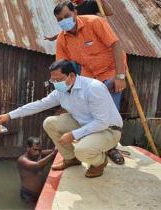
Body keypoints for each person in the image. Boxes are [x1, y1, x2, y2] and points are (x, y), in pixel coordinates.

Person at [0, 60, 123, 178]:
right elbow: (39, 104)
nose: (56, 83)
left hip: (108, 130)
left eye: (59, 79)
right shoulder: (62, 91)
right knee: (49, 123)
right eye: (53, 80)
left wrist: (73, 134)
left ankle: (99, 162)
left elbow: (102, 122)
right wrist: (9, 115)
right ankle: (71, 158)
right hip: (84, 123)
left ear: (72, 76)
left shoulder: (93, 88)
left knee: (82, 150)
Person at [54, 1, 126, 164]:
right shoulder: (62, 39)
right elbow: (62, 66)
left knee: (110, 113)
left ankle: (111, 147)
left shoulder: (94, 22)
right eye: (59, 19)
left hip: (110, 72)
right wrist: (62, 86)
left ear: (75, 13)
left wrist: (120, 76)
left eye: (66, 16)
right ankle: (95, 145)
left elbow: (115, 45)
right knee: (90, 112)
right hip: (89, 76)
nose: (64, 21)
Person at [44, 0, 113, 42]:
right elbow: (68, 28)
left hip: (95, 36)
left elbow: (109, 12)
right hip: (82, 40)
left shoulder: (91, 3)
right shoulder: (72, 9)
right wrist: (54, 38)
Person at [17, 137, 57, 205]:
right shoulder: (22, 160)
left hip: (40, 193)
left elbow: (53, 150)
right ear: (28, 148)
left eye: (40, 150)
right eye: (35, 149)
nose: (37, 152)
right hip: (28, 195)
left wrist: (59, 146)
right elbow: (37, 166)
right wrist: (53, 154)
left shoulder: (40, 154)